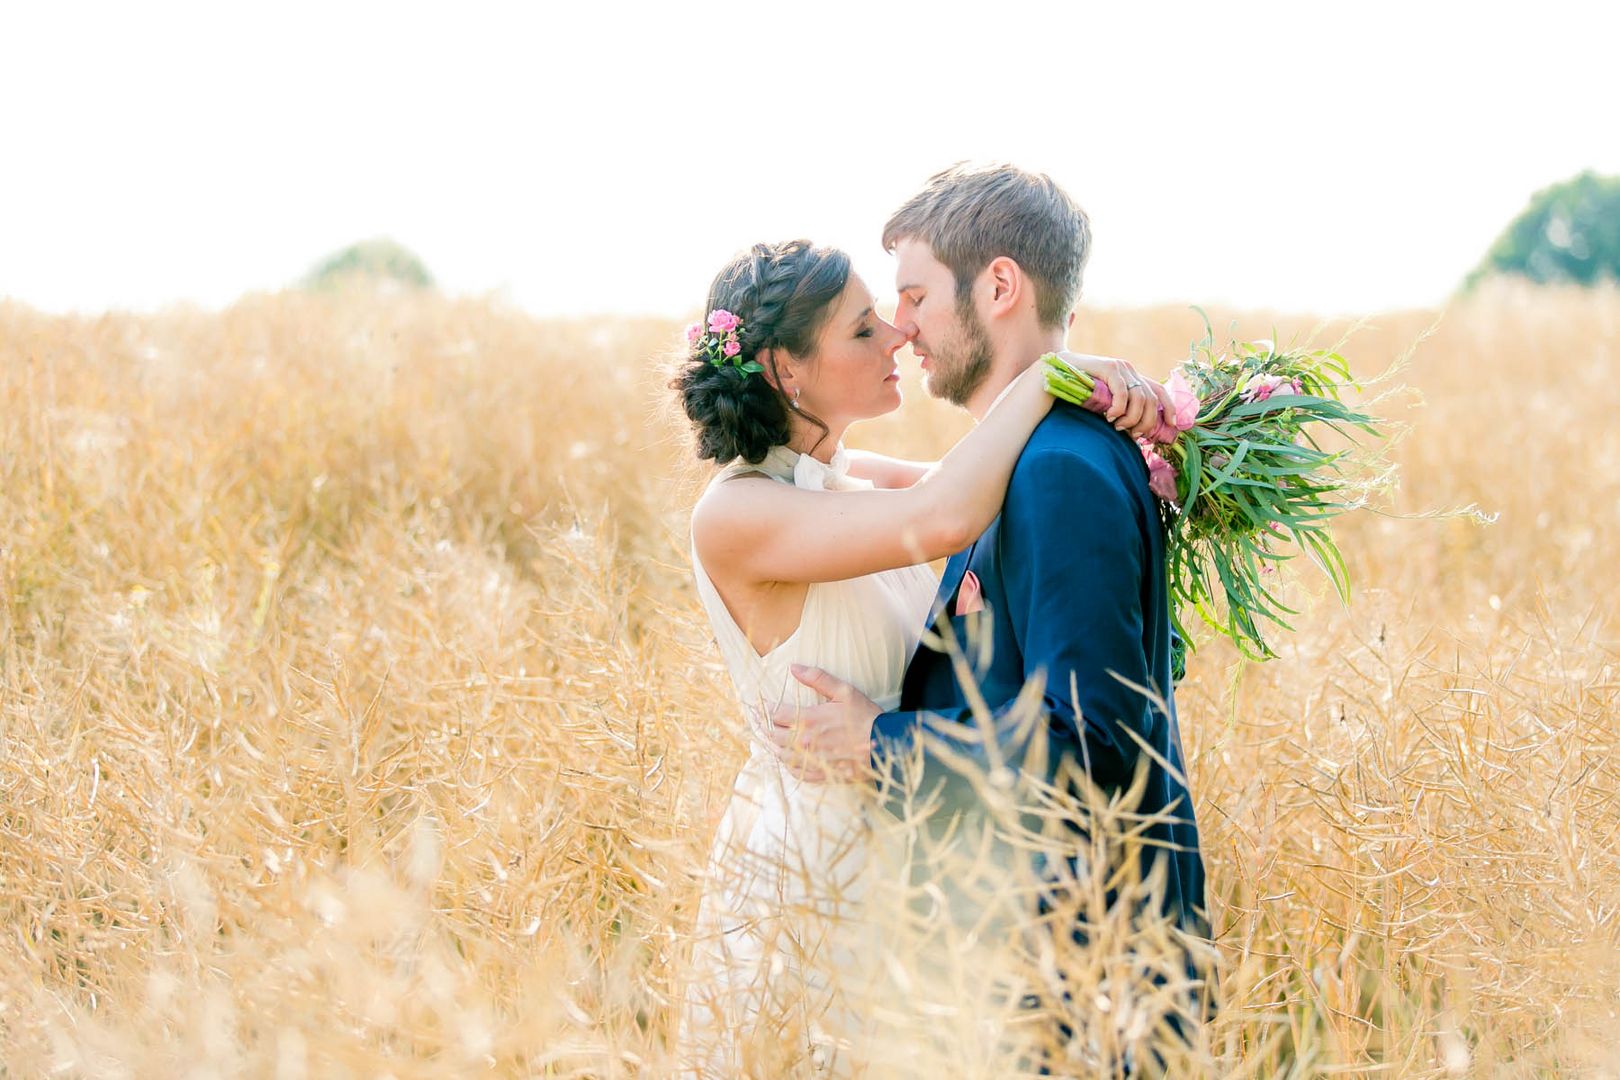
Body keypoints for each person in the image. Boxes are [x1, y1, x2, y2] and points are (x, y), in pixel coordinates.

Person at [669, 236, 1169, 1076]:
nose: (898, 336)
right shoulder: (738, 514)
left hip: (913, 834)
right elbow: (947, 514)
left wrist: (1144, 423)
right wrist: (1050, 372)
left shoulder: (841, 472)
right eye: (863, 329)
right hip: (815, 861)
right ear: (786, 370)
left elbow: (1000, 475)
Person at [758, 164, 1213, 1071]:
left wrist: (878, 743)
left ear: (999, 286)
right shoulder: (1027, 455)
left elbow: (1094, 740)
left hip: (1082, 979)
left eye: (916, 295)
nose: (902, 327)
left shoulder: (1059, 472)